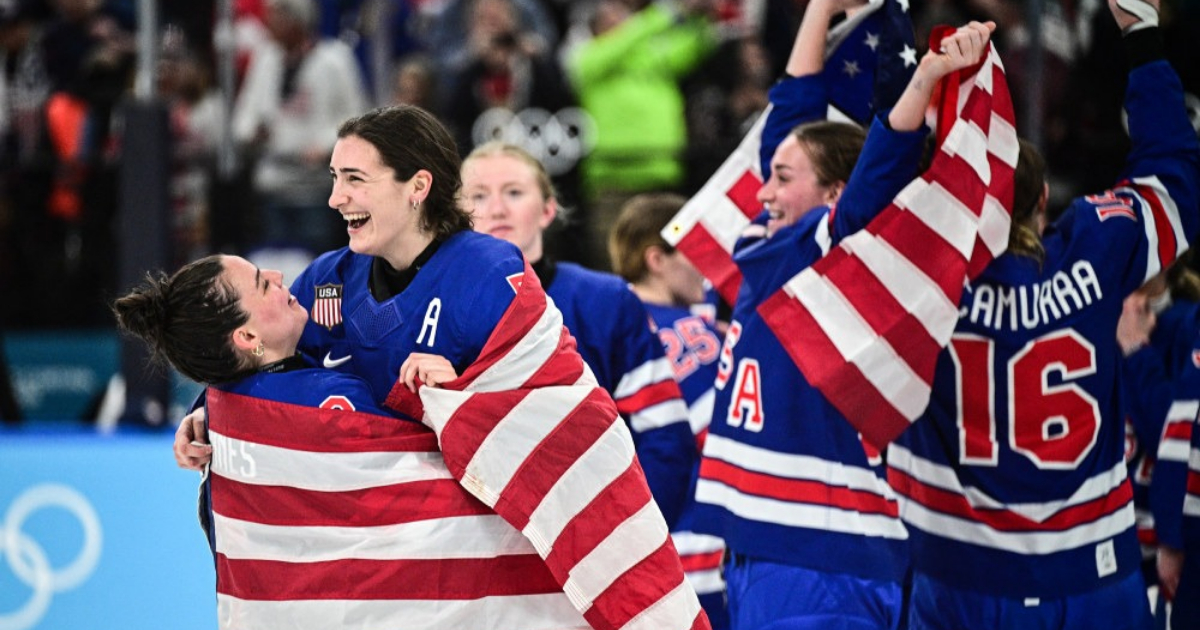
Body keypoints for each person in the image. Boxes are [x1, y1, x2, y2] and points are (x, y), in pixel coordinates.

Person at [174, 105, 711, 630]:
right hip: (388, 579)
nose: (336, 198)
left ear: (417, 186)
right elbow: (280, 377)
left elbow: (551, 412)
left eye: (355, 179)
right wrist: (214, 408)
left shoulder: (488, 272)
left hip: (491, 568)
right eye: (336, 178)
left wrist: (464, 398)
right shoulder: (329, 280)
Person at [885, 0, 1200, 626]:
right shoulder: (1094, 243)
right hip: (1092, 578)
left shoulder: (915, 273)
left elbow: (866, 197)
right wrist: (1141, 36)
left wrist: (922, 85)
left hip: (958, 578)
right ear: (1040, 206)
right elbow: (1175, 173)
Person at [687, 0, 994, 625]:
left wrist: (927, 75)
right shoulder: (773, 244)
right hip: (765, 542)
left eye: (780, 178)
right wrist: (822, 8)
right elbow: (793, 111)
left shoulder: (836, 253)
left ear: (832, 196)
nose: (764, 190)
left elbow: (883, 162)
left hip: (820, 553)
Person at [116, 254, 594, 629]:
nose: (282, 276)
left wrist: (202, 407)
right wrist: (450, 393)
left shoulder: (225, 413)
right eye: (263, 282)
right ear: (245, 336)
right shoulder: (326, 406)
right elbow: (441, 468)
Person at [461, 140, 697, 528]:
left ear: (548, 209)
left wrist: (631, 538)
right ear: (457, 213)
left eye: (514, 192)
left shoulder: (606, 299)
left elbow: (665, 435)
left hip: (596, 535)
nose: (498, 208)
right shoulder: (431, 308)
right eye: (479, 196)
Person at [609, 192, 729, 629]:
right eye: (694, 252)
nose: (706, 268)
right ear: (657, 259)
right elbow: (725, 435)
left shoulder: (601, 322)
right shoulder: (691, 331)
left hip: (630, 550)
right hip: (702, 544)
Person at [565, 0, 719, 270]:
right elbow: (620, 44)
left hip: (661, 177)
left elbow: (695, 47)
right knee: (616, 267)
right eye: (611, 16)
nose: (622, 22)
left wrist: (701, 15)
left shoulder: (648, 56)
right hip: (613, 184)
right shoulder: (587, 57)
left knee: (670, 266)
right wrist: (666, 13)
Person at [231, 0, 367, 257]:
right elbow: (243, 120)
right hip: (272, 185)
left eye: (278, 15)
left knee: (319, 269)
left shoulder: (334, 59)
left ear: (298, 19)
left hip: (316, 189)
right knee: (277, 268)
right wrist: (253, 133)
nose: (270, 22)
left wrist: (326, 146)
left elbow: (357, 118)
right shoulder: (266, 60)